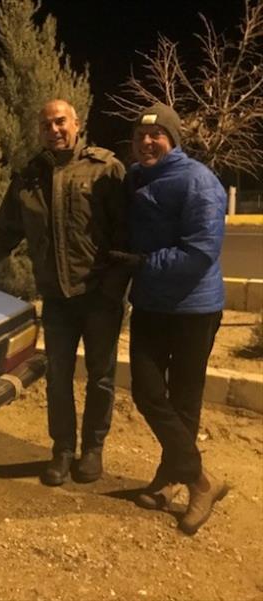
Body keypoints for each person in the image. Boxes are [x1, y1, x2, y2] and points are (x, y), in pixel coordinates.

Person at [0, 99, 128, 486]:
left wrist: (115, 287)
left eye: (60, 121)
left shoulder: (106, 169)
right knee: (58, 377)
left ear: (77, 123)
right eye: (46, 124)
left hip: (99, 297)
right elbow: (5, 231)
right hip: (58, 300)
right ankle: (62, 450)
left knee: (101, 377)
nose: (54, 129)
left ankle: (93, 450)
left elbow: (125, 234)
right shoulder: (29, 177)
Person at [111, 103, 229, 535]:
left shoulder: (198, 181)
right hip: (150, 304)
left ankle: (175, 479)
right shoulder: (137, 177)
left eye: (157, 134)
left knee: (184, 399)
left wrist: (144, 262)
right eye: (140, 135)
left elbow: (201, 251)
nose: (147, 141)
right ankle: (199, 480)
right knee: (146, 391)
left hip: (194, 309)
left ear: (173, 139)